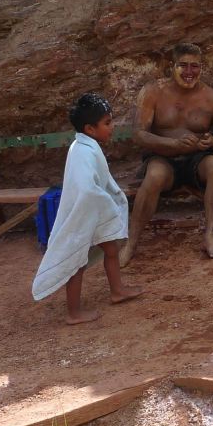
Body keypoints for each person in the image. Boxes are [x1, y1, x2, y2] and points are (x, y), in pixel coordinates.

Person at [32, 93, 143, 324]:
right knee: (77, 262)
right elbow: (85, 189)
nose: (112, 127)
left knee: (111, 249)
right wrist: (104, 203)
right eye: (107, 123)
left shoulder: (87, 146)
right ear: (90, 129)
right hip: (83, 215)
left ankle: (117, 290)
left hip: (92, 212)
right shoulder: (81, 151)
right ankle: (74, 313)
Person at [120, 43, 213, 264]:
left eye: (195, 66)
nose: (189, 72)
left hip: (197, 159)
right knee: (154, 176)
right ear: (172, 66)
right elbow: (139, 134)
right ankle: (131, 243)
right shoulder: (153, 92)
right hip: (163, 157)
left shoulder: (212, 97)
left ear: (202, 67)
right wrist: (173, 144)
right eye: (183, 66)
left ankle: (209, 235)